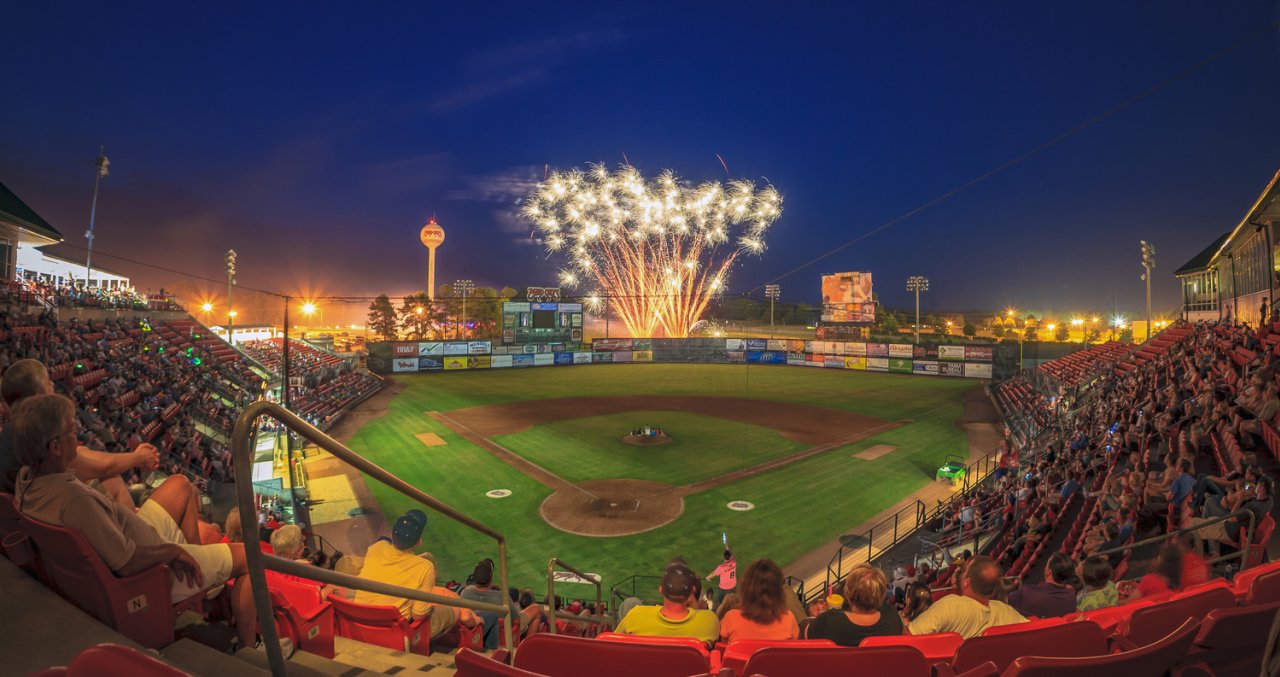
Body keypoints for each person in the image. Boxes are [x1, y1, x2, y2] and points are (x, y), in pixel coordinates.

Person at [10, 393, 256, 647]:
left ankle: (206, 580)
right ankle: (249, 648)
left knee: (180, 485)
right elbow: (127, 562)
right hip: (153, 568)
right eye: (72, 431)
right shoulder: (75, 502)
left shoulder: (27, 480)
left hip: (140, 537)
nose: (78, 437)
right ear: (55, 447)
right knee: (251, 557)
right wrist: (172, 552)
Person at [0, 359, 159, 509]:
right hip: (50, 514)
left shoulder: (10, 431)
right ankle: (135, 534)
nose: (53, 384)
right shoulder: (41, 432)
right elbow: (102, 468)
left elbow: (80, 457)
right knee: (113, 480)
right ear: (37, 396)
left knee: (84, 451)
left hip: (26, 515)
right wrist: (139, 457)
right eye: (47, 381)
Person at [354, 509, 478, 639]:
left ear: (392, 534)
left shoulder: (376, 548)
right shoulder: (424, 567)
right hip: (396, 633)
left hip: (359, 622)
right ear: (419, 541)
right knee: (455, 610)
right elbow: (418, 615)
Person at [906, 556, 1026, 638]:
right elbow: (1036, 629)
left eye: (964, 571)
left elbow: (908, 639)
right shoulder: (1006, 611)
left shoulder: (950, 605)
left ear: (966, 582)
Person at [615, 563, 719, 644]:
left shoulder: (635, 615)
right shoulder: (710, 621)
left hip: (642, 669)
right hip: (692, 672)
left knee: (630, 602)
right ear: (691, 591)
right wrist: (700, 610)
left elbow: (611, 644)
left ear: (660, 590)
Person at [805, 564, 902, 646]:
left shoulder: (828, 620)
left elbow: (806, 636)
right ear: (883, 593)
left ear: (847, 593)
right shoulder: (892, 615)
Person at [717, 559, 799, 642]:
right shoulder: (789, 619)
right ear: (778, 591)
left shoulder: (731, 618)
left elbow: (722, 647)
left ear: (746, 589)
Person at [460, 559, 513, 650]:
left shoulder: (465, 593)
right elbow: (516, 621)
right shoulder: (501, 596)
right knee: (536, 608)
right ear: (491, 579)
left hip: (469, 638)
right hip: (498, 639)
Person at [1007, 552, 1077, 619]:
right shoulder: (1072, 597)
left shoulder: (1026, 592)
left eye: (1047, 564)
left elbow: (1004, 601)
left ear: (1049, 572)